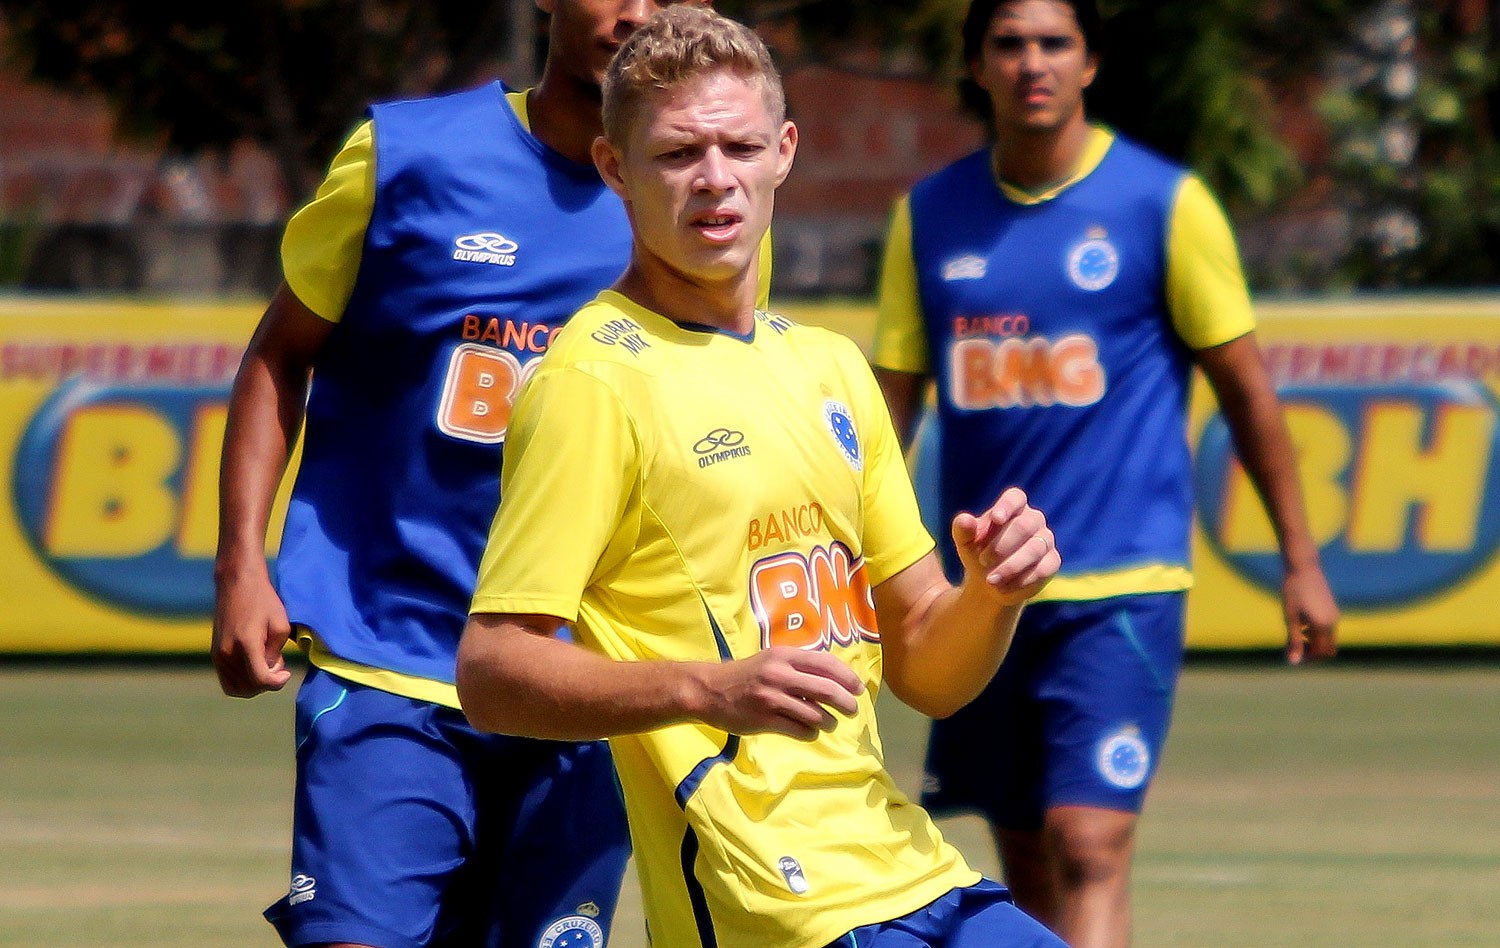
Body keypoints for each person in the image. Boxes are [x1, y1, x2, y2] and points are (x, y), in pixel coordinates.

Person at [456, 8, 1070, 948]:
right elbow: (494, 671)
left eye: (740, 146)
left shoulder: (828, 367)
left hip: (908, 869)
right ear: (615, 168)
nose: (715, 179)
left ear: (783, 151)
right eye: (676, 154)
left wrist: (991, 596)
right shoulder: (593, 380)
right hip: (773, 907)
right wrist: (705, 689)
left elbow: (927, 675)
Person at [209, 2, 764, 946]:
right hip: (392, 651)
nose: (631, 10)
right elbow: (280, 353)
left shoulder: (709, 208)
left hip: (586, 688)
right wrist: (239, 565)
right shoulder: (407, 155)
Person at [870, 1, 1341, 946]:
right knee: (1029, 861)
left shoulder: (1163, 205)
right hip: (987, 594)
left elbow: (1247, 391)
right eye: (1009, 44)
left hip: (1121, 586)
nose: (1031, 64)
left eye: (1054, 44)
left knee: (1089, 842)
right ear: (975, 64)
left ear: (1090, 64)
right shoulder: (928, 216)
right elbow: (888, 415)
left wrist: (1301, 558)